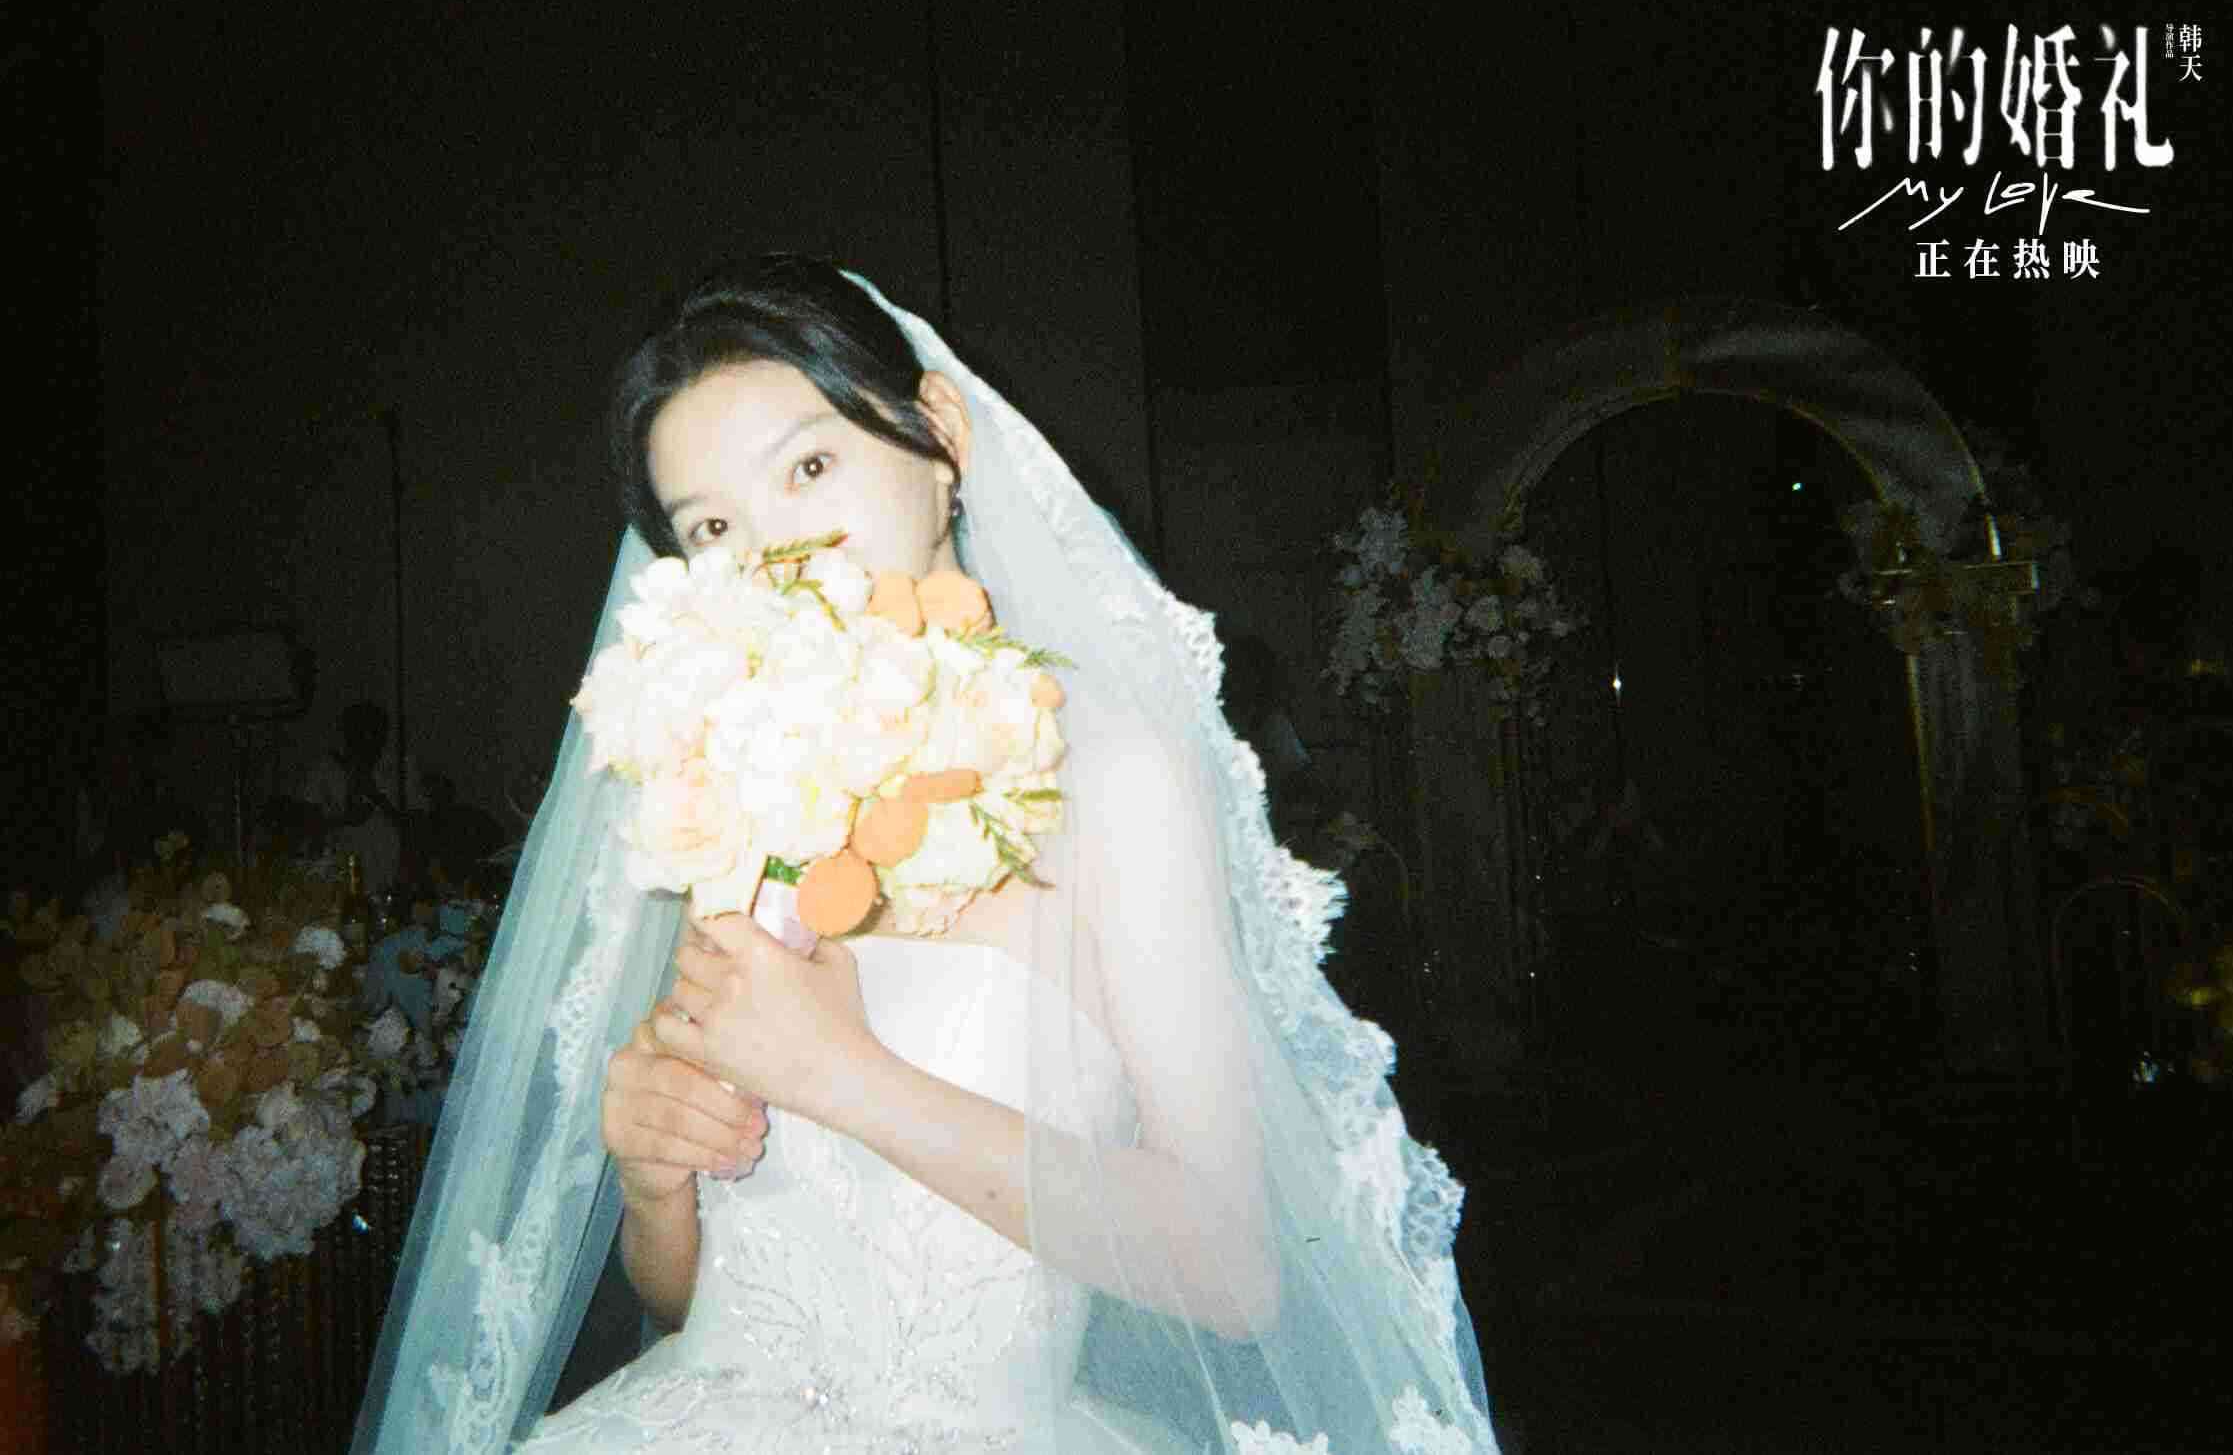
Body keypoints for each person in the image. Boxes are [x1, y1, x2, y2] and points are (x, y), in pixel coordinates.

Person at [351, 256, 1504, 1454]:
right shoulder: (732, 785)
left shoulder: (1113, 778)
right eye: (713, 527)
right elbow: (696, 1304)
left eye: (809, 468)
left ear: (940, 436)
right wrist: (655, 1180)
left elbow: (1232, 1266)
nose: (777, 554)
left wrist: (838, 1071)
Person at [298, 701, 425, 891]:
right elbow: (306, 825)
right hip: (339, 872)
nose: (367, 740)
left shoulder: (402, 767)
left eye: (374, 734)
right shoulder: (325, 768)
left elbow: (417, 825)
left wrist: (376, 795)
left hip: (390, 871)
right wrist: (343, 819)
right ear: (346, 735)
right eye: (359, 734)